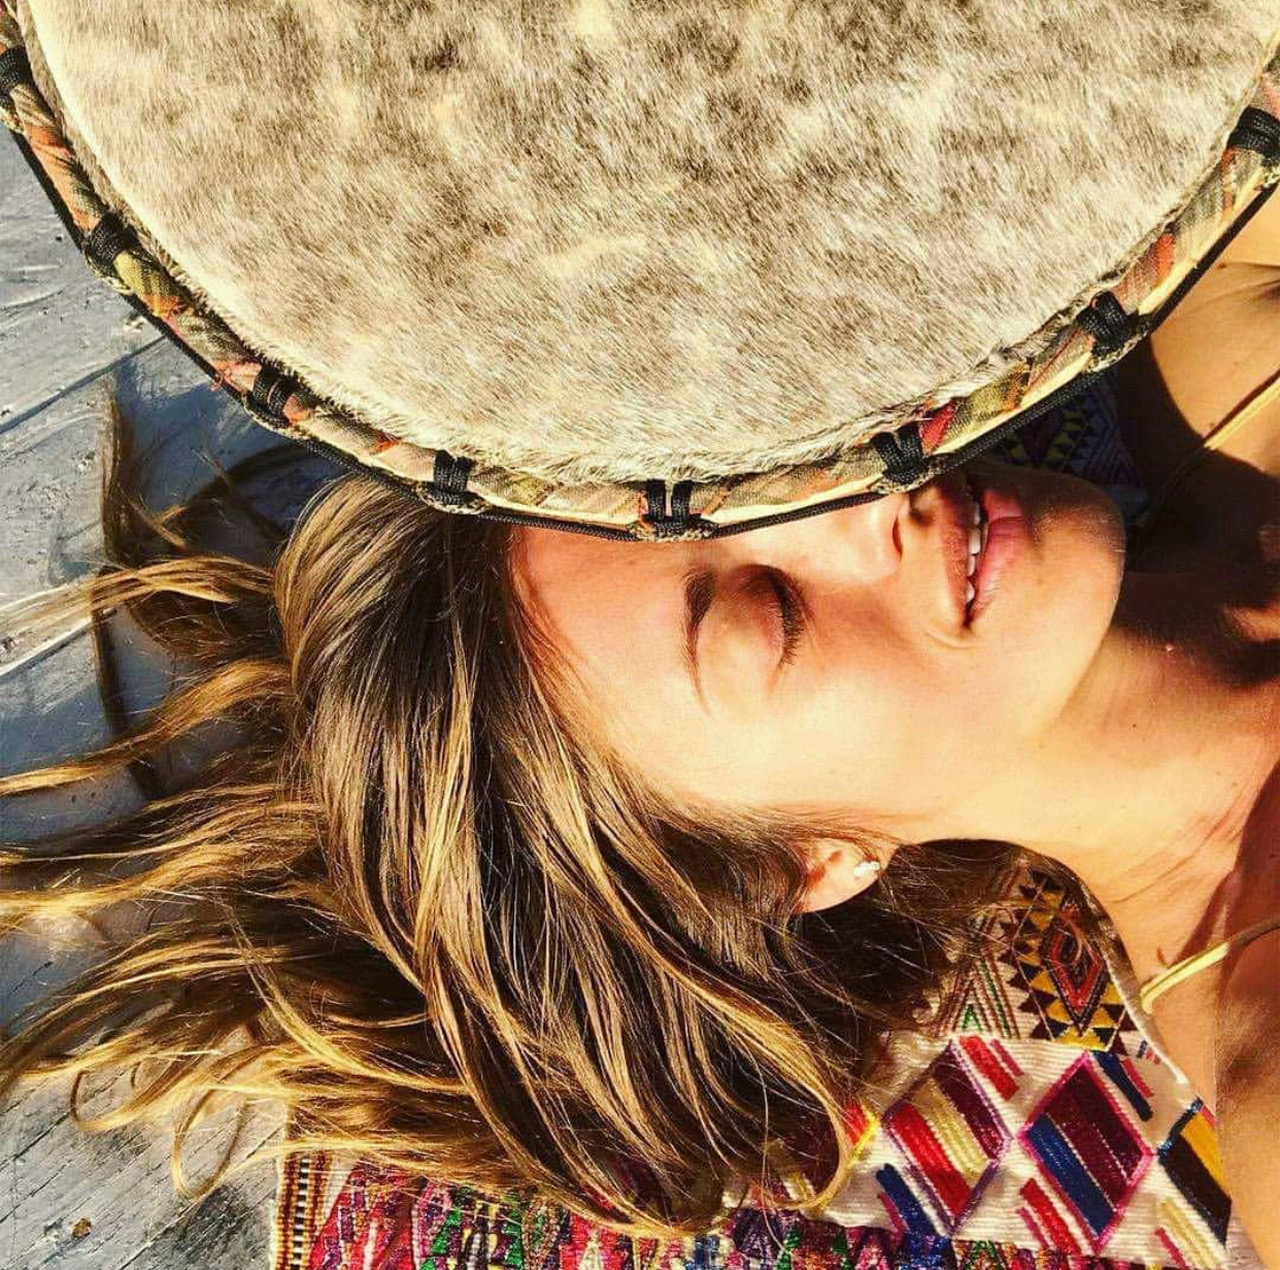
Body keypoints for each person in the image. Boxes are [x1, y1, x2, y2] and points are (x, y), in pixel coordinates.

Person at [1, 129, 1276, 1265]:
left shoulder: (1214, 341)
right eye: (767, 617)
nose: (854, 502)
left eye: (750, 469)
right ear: (811, 859)